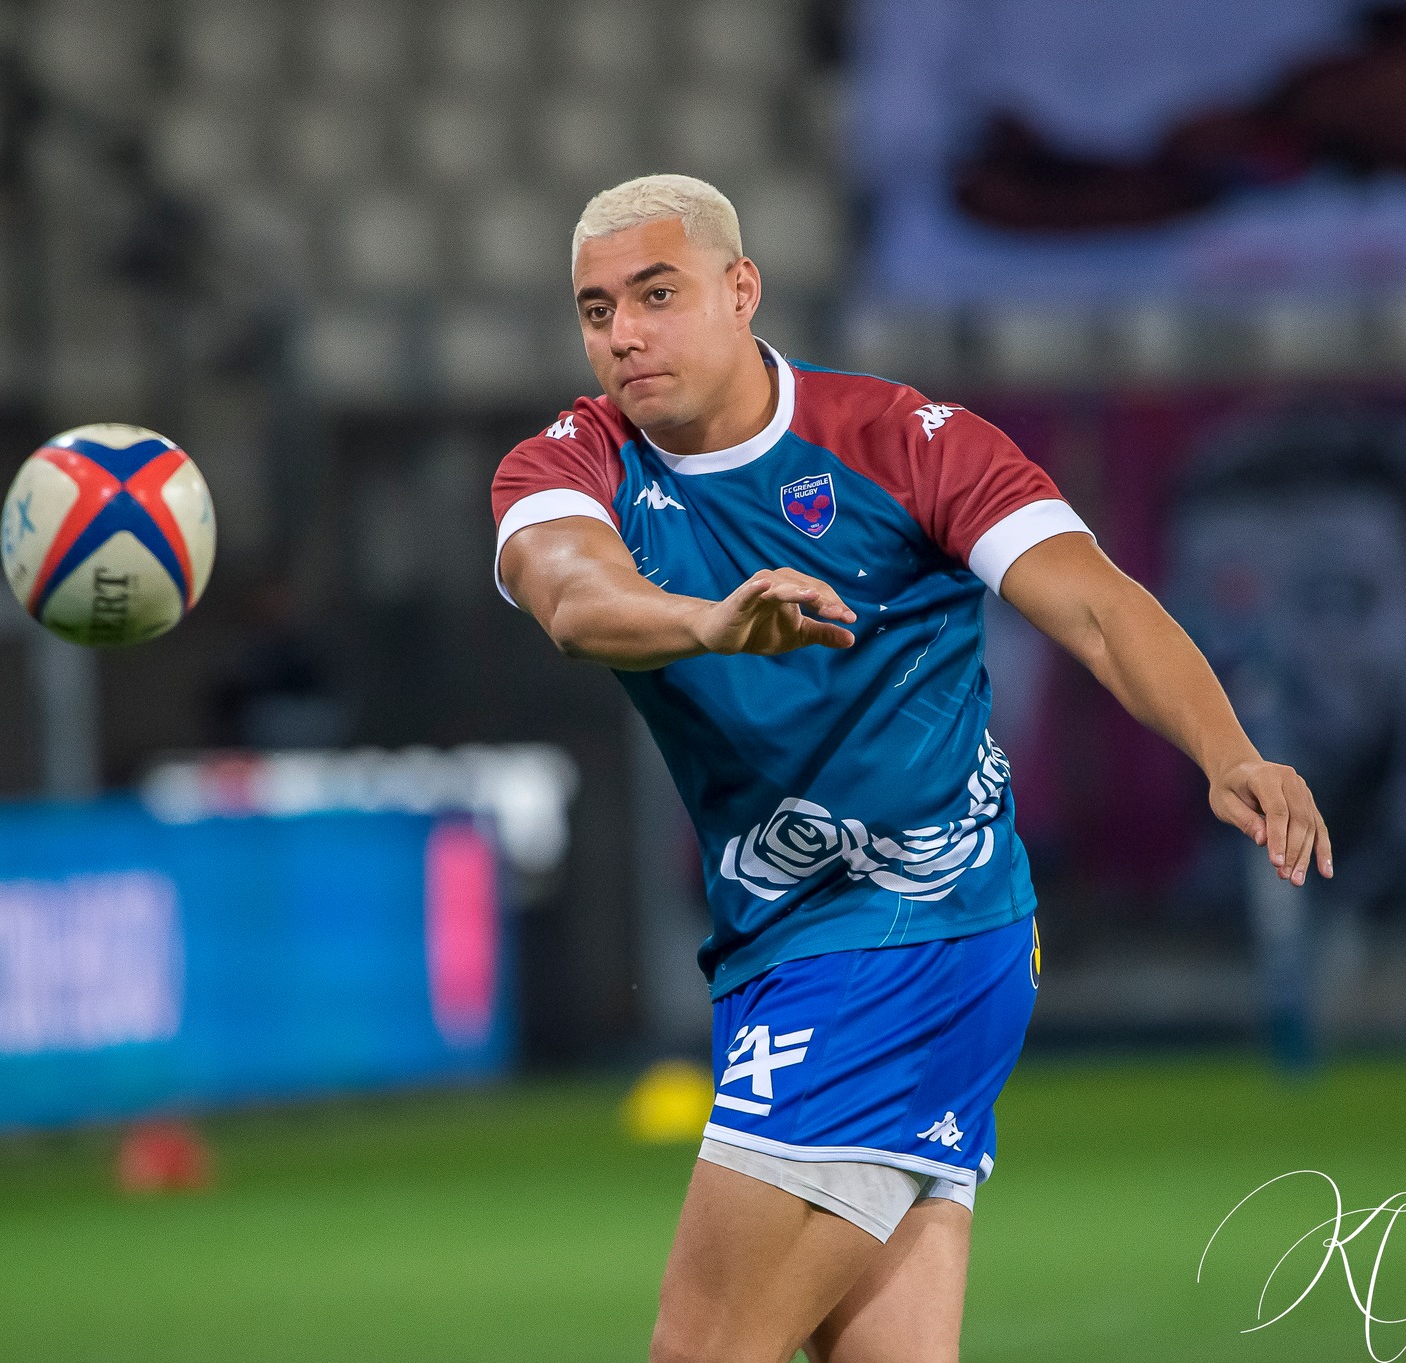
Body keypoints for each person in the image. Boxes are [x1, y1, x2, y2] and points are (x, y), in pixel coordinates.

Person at [489, 174, 1332, 1363]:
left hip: (906, 938)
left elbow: (1091, 603)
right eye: (593, 309)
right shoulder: (565, 466)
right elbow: (574, 598)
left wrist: (1225, 748)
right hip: (779, 953)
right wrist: (708, 621)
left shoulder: (899, 442)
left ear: (742, 292)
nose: (622, 333)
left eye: (656, 293)